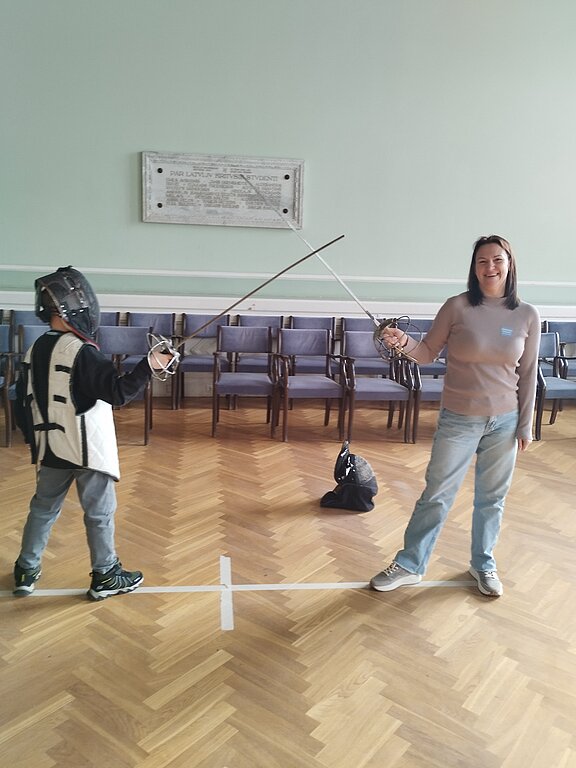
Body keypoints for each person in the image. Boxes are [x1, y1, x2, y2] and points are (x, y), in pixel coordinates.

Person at [370, 235, 541, 597]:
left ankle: (483, 563)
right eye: (482, 261)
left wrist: (525, 425)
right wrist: (402, 342)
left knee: (492, 499)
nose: (490, 267)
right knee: (437, 493)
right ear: (474, 268)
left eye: (497, 260)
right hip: (459, 419)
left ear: (509, 264)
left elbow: (527, 374)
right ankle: (410, 564)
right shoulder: (457, 307)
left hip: (505, 422)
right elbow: (427, 352)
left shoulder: (527, 314)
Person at [13, 266, 177, 600]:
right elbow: (118, 393)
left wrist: (35, 441)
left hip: (51, 448)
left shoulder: (35, 348)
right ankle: (106, 575)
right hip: (87, 449)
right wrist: (149, 365)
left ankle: (26, 570)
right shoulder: (81, 352)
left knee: (43, 508)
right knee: (99, 514)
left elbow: (20, 401)